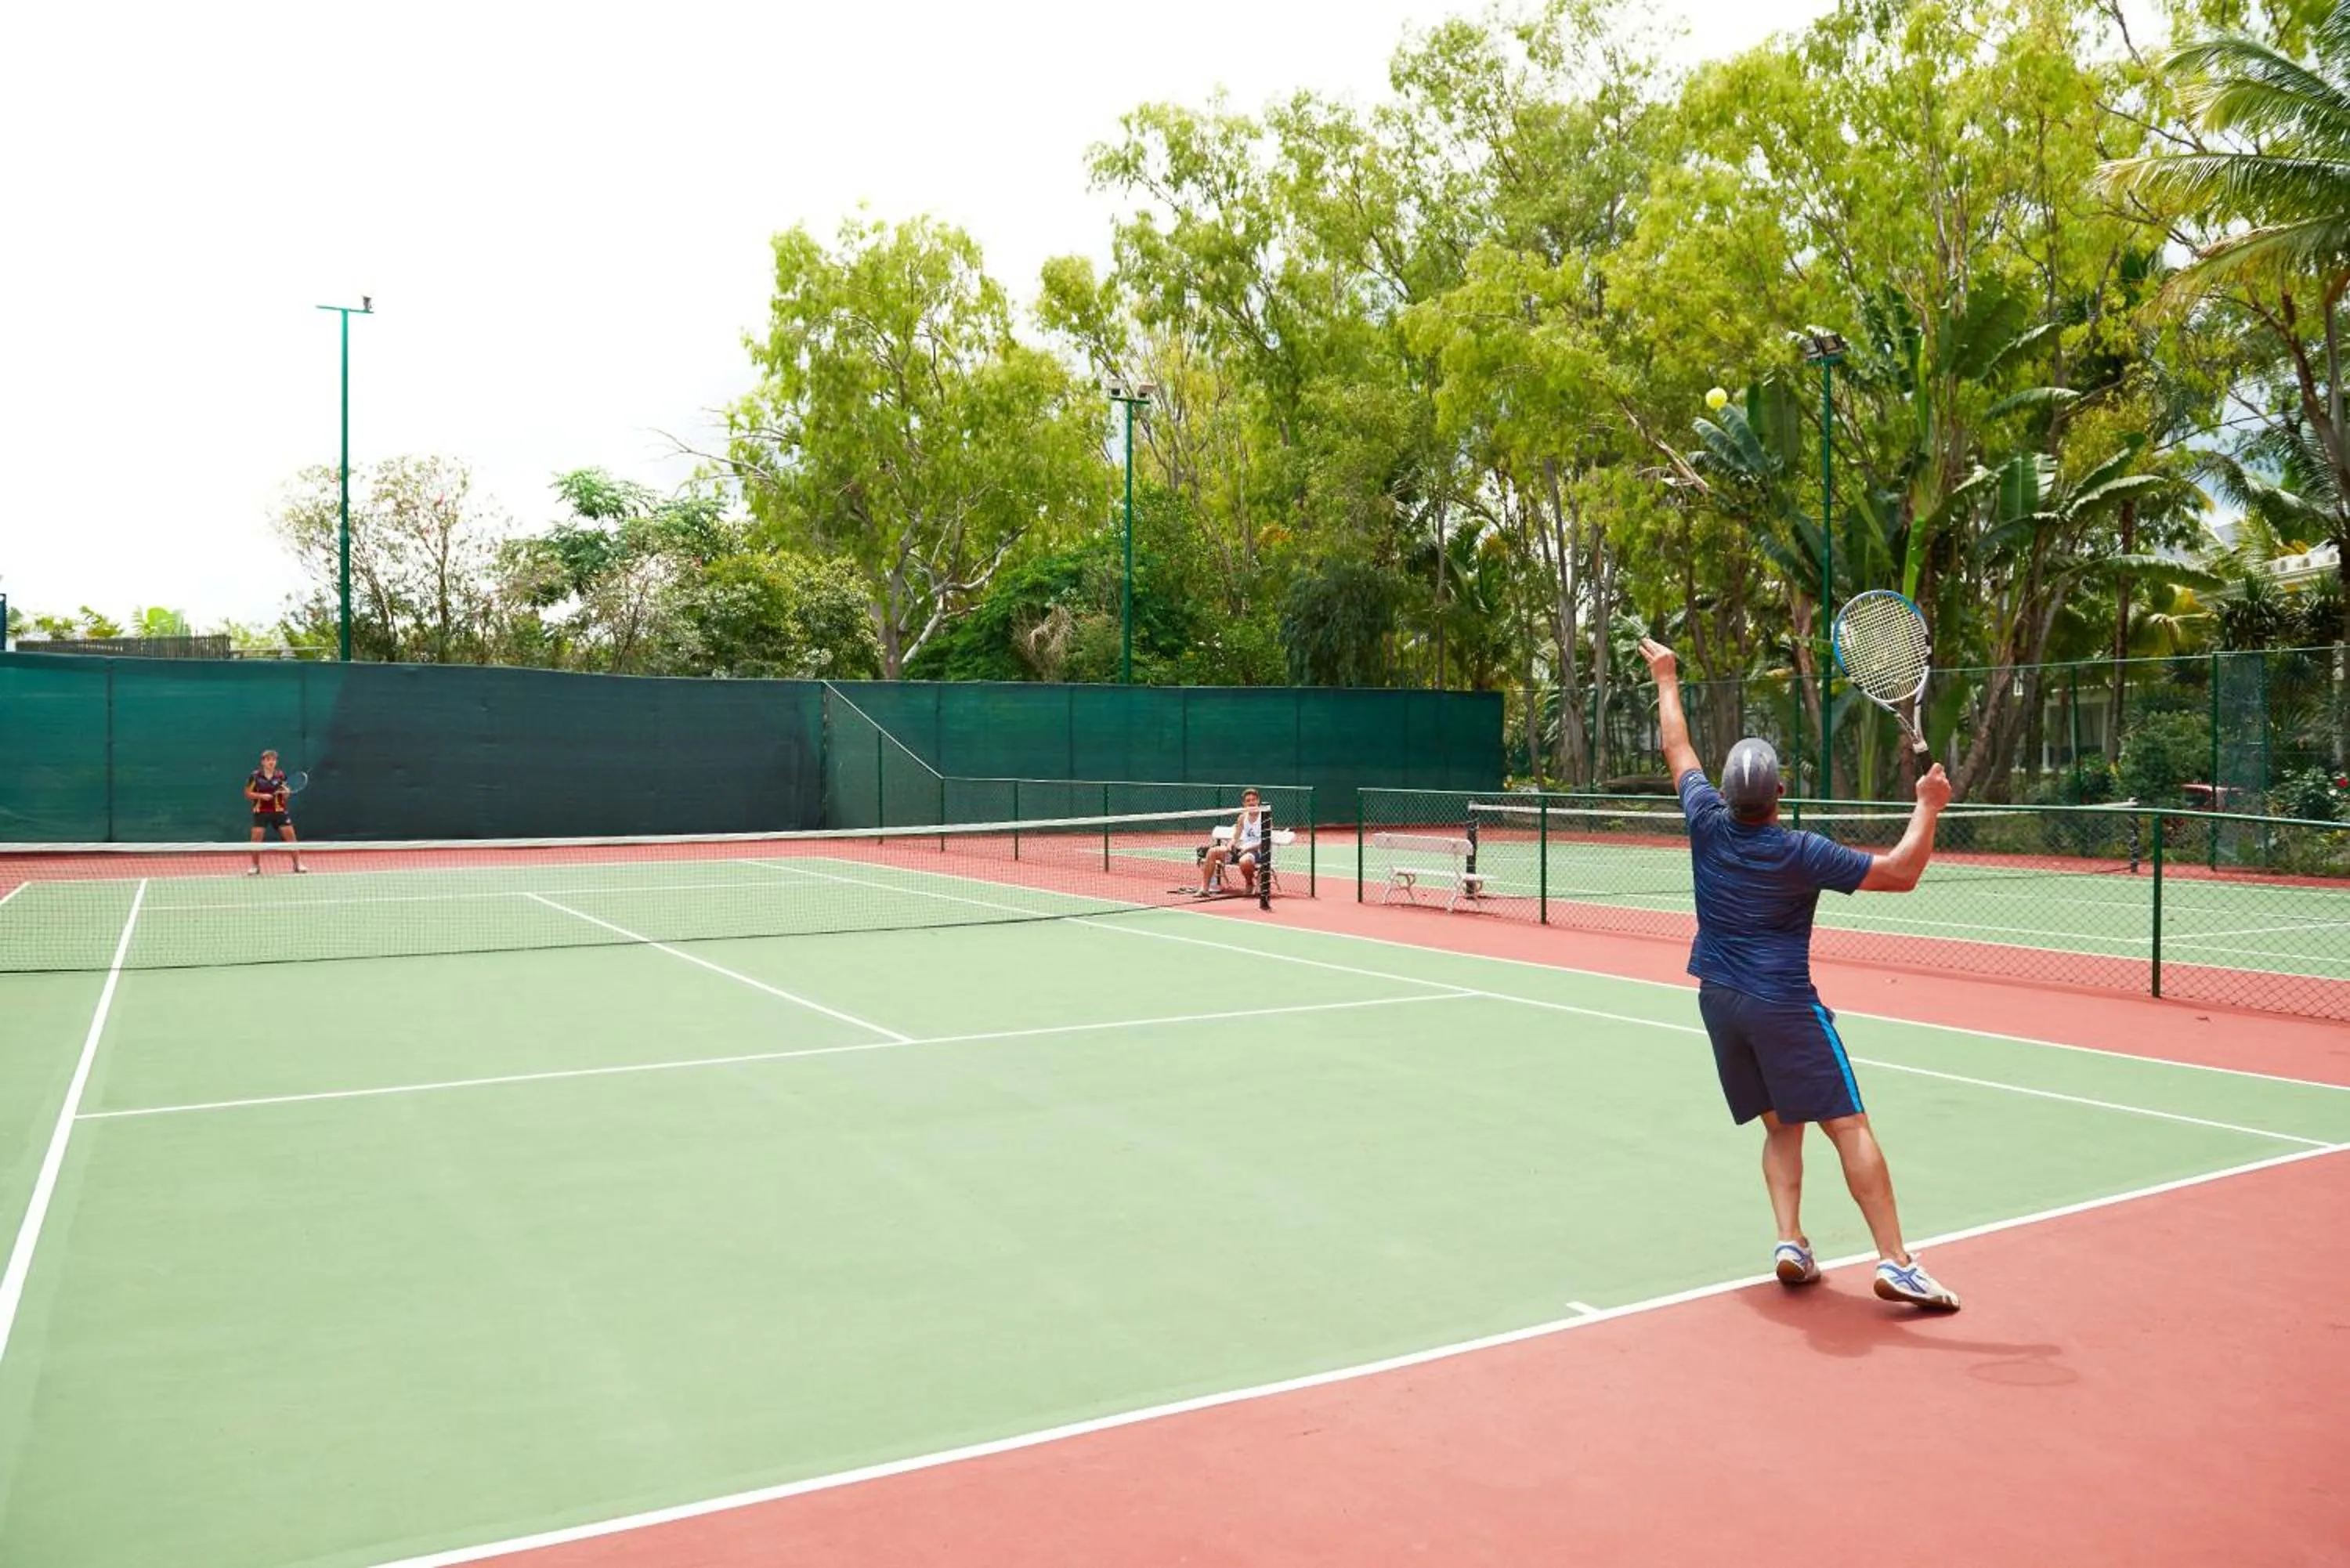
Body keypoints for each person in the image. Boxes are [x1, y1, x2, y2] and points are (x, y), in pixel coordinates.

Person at [1637, 637, 1961, 1311]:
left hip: (1719, 1000)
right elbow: (1900, 873)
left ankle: (1790, 1242)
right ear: (1780, 793)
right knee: (1848, 1124)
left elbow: (1677, 747)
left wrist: (1667, 676)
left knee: (1781, 1125)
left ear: (1725, 794)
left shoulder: (1705, 822)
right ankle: (1897, 1263)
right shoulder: (1801, 851)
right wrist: (1928, 806)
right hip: (1782, 1003)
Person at [244, 750, 306, 875]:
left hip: (279, 811)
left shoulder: (280, 775)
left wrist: (286, 793)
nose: (271, 762)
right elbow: (247, 793)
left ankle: (297, 864)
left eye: (273, 760)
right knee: (256, 839)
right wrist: (261, 796)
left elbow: (285, 795)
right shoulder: (255, 776)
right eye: (268, 760)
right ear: (263, 762)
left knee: (291, 838)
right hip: (261, 812)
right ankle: (255, 866)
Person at [1198, 788, 1267, 898]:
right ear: (1244, 804)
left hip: (1257, 852)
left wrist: (1247, 850)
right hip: (1241, 850)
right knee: (1212, 851)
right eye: (1248, 801)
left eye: (1253, 800)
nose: (1251, 803)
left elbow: (1265, 842)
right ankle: (1204, 889)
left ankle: (1249, 883)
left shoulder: (1265, 817)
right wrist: (1229, 845)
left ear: (1258, 801)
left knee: (1244, 861)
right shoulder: (1242, 817)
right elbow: (1236, 837)